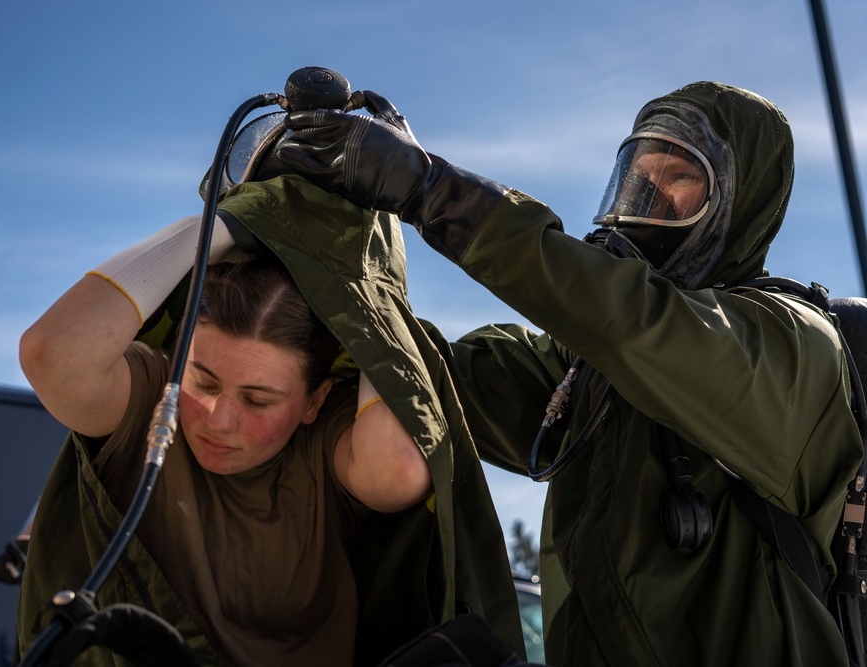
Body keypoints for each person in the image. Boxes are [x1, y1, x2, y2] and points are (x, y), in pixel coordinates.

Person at [275, 81, 865, 665]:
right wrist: (311, 261)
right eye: (638, 177)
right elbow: (433, 376)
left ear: (739, 204)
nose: (650, 197)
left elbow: (629, 319)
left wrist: (427, 187)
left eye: (681, 178)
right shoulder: (590, 372)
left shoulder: (790, 349)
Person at [16, 213, 434, 665]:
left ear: (314, 402)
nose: (220, 419)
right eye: (205, 383)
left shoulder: (328, 439)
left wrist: (370, 288)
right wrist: (230, 222)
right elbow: (53, 355)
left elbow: (396, 474)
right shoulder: (154, 394)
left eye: (258, 401)